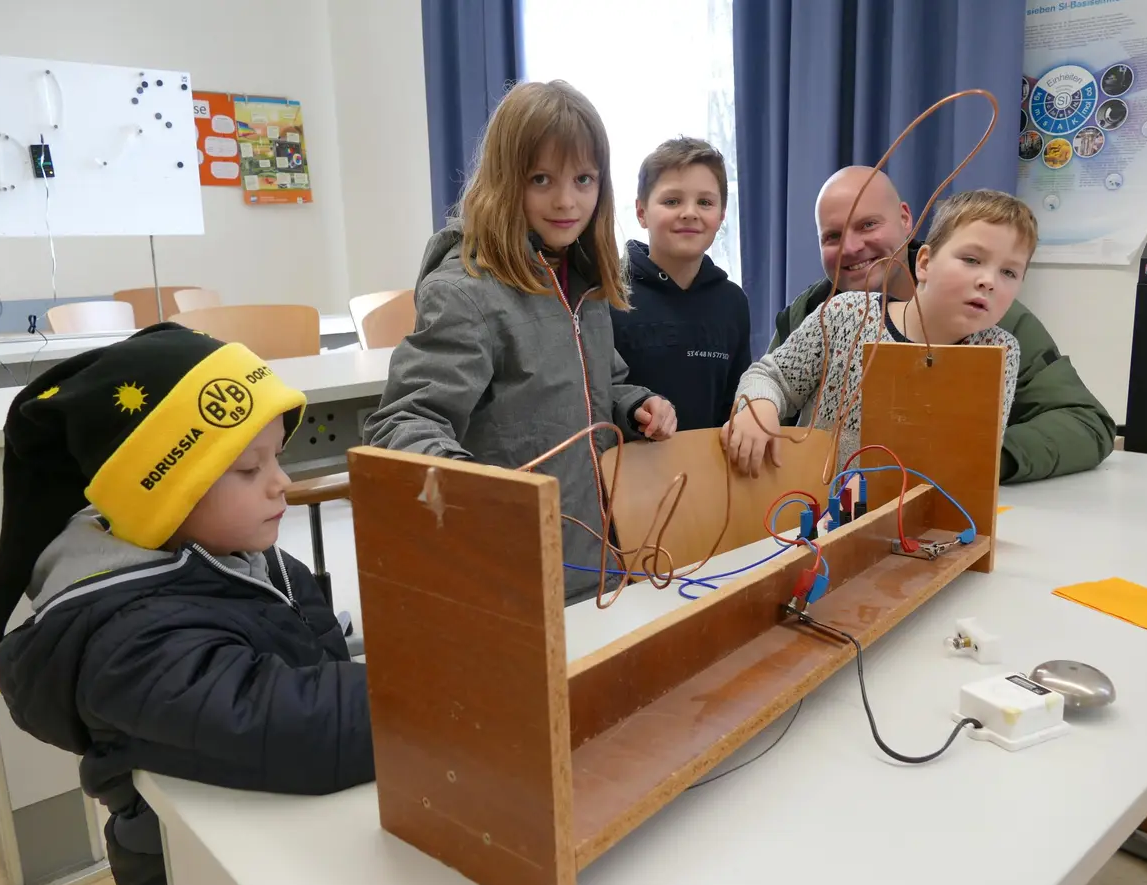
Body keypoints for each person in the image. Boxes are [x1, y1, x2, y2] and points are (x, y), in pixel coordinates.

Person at [0, 323, 373, 885]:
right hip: (184, 861)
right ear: (164, 495)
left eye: (276, 459)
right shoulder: (129, 638)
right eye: (248, 469)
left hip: (270, 820)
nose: (282, 483)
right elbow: (287, 723)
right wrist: (430, 705)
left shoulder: (239, 556)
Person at [362, 81, 677, 604]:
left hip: (594, 556)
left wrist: (636, 406)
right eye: (540, 179)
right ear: (506, 181)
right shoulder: (464, 293)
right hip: (510, 570)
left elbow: (603, 383)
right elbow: (401, 423)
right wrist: (473, 490)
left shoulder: (583, 280)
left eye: (583, 179)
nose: (566, 200)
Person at [770, 166, 1116, 482]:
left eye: (868, 225)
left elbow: (1087, 423)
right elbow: (769, 393)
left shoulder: (994, 320)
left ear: (905, 219)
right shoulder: (814, 311)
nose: (851, 247)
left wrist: (987, 458)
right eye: (832, 236)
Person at [724, 189, 1031, 476]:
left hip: (920, 522)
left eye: (1009, 272)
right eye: (971, 260)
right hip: (816, 511)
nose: (988, 280)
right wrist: (757, 408)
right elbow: (770, 377)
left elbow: (974, 462)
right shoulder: (845, 315)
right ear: (924, 263)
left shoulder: (999, 351)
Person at [613, 137, 752, 431]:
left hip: (710, 471)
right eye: (672, 201)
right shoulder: (609, 295)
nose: (690, 212)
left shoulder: (733, 302)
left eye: (705, 202)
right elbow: (596, 397)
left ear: (721, 215)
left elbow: (735, 403)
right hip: (625, 471)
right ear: (641, 212)